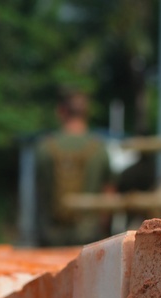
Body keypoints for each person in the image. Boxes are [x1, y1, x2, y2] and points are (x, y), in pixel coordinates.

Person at [35, 89, 114, 246]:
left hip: (51, 236)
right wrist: (104, 229)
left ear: (61, 111)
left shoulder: (44, 148)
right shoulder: (99, 148)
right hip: (88, 236)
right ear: (87, 112)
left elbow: (40, 194)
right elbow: (109, 196)